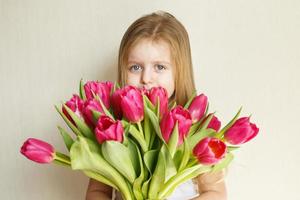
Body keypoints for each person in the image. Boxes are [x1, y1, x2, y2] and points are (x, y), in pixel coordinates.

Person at [86, 11, 227, 200]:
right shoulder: (111, 128)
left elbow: (216, 194)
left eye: (159, 67)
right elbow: (98, 192)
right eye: (135, 67)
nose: (146, 79)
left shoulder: (195, 129)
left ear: (179, 71)